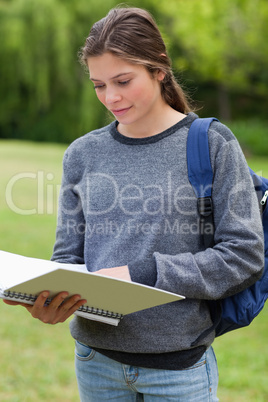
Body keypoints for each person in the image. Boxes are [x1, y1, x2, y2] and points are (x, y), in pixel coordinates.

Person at [4, 6, 264, 401]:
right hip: (95, 362)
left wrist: (140, 273)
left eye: (123, 81)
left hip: (179, 369)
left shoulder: (212, 144)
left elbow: (243, 256)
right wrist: (50, 299)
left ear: (159, 68)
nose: (110, 97)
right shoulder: (82, 153)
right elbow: (68, 258)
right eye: (98, 85)